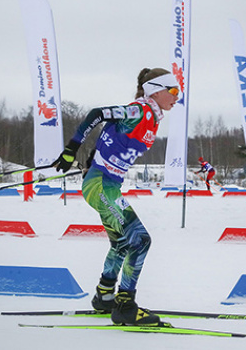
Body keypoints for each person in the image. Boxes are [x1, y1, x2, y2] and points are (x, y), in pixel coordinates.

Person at [52, 67, 179, 326]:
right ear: (155, 90)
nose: (177, 96)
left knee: (122, 243)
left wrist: (90, 160)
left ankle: (105, 296)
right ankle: (125, 305)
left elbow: (110, 134)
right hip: (101, 186)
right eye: (173, 90)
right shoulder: (139, 110)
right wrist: (71, 149)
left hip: (105, 184)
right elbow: (97, 114)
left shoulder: (151, 117)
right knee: (140, 241)